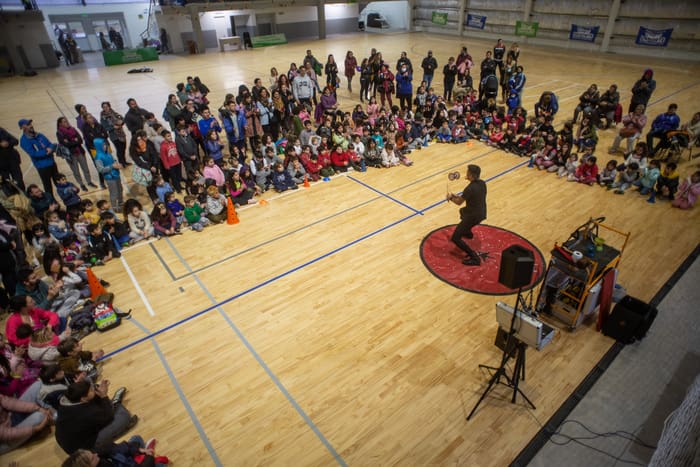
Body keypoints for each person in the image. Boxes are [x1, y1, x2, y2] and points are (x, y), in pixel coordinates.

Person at [55, 378, 137, 455]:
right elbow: (107, 417)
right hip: (84, 449)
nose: (93, 390)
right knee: (123, 416)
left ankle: (113, 405)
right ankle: (123, 427)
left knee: (109, 407)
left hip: (71, 438)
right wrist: (104, 396)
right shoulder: (85, 413)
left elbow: (94, 406)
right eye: (91, 390)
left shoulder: (67, 399)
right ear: (83, 399)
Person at [446, 164, 486, 266]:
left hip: (473, 216)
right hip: (482, 212)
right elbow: (469, 197)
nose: (466, 174)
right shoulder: (482, 184)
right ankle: (468, 233)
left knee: (455, 238)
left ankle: (474, 258)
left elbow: (459, 202)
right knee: (462, 211)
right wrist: (455, 195)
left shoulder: (469, 188)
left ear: (471, 175)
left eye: (468, 173)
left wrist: (450, 198)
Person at [18, 119, 58, 196]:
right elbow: (33, 153)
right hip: (42, 166)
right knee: (48, 187)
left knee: (59, 183)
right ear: (23, 127)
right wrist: (46, 151)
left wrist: (51, 148)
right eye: (28, 124)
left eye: (30, 124)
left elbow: (50, 143)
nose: (31, 125)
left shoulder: (39, 135)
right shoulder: (24, 140)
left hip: (52, 163)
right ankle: (52, 203)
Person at [93, 138, 123, 211]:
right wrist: (112, 166)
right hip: (110, 177)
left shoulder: (108, 153)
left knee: (120, 190)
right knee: (114, 193)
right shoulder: (98, 157)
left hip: (116, 175)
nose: (105, 146)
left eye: (105, 144)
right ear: (99, 146)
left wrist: (117, 164)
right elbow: (101, 170)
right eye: (103, 145)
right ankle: (115, 207)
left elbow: (113, 161)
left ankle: (120, 203)